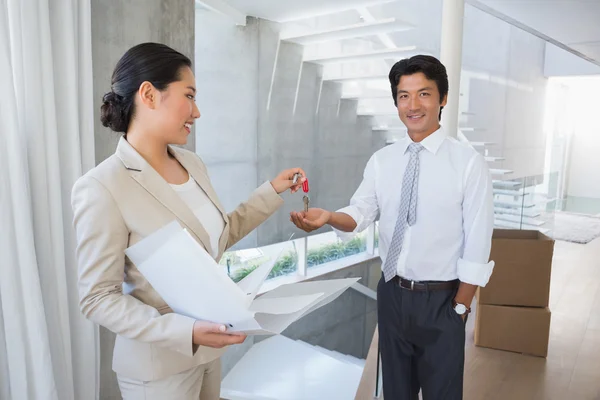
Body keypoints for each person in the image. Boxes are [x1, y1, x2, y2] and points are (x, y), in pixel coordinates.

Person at [71, 42, 306, 400]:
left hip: (209, 352)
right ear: (149, 94)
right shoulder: (102, 186)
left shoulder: (192, 164)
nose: (197, 112)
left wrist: (271, 191)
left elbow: (216, 237)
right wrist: (187, 331)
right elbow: (98, 298)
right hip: (157, 369)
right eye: (189, 96)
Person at [290, 55, 494, 399]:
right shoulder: (383, 161)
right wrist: (328, 217)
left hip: (443, 300)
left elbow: (477, 240)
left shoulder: (468, 164)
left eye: (424, 94)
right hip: (393, 294)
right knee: (394, 392)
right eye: (403, 96)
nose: (413, 105)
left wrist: (459, 308)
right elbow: (361, 212)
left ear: (442, 99)